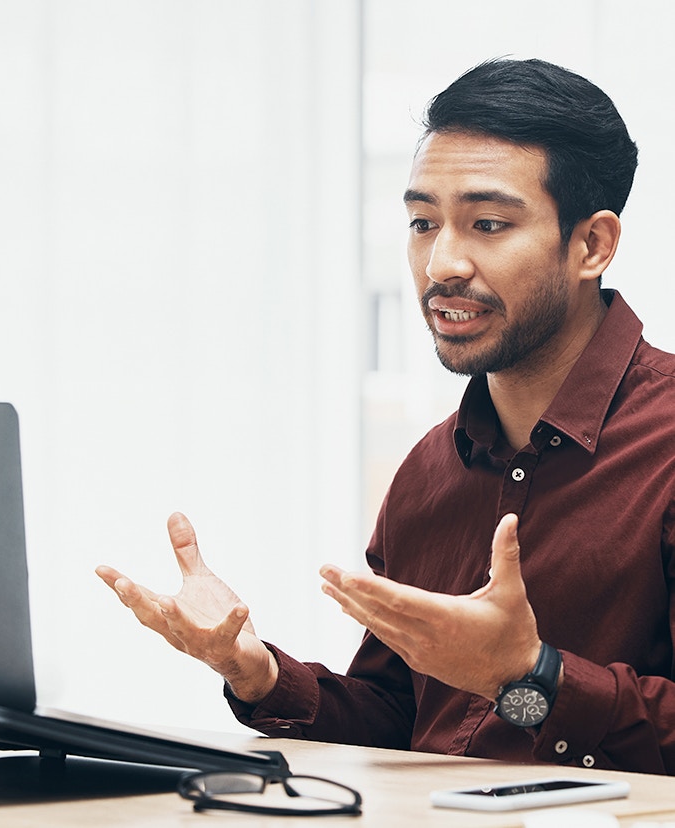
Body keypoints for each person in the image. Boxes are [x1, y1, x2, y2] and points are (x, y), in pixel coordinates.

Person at [97, 58, 675, 775]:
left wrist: (531, 677)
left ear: (592, 245)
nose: (441, 264)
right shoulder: (433, 468)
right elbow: (400, 717)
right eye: (422, 223)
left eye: (488, 224)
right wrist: (258, 674)